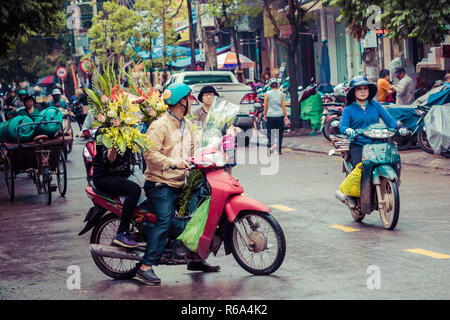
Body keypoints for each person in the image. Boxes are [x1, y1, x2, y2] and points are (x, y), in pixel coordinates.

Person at [138, 83, 219, 285]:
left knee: (199, 213)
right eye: (189, 100)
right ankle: (146, 266)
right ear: (181, 101)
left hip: (180, 181)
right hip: (160, 183)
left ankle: (195, 259)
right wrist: (172, 163)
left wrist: (211, 152)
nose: (192, 103)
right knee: (165, 221)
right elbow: (149, 153)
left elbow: (194, 150)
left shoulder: (188, 124)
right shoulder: (160, 125)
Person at [336, 76, 407, 205]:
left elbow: (390, 121)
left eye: (365, 88)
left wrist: (399, 127)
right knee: (361, 167)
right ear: (353, 92)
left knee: (393, 160)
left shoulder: (376, 106)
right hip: (359, 144)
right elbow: (343, 127)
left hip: (379, 142)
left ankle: (389, 184)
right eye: (359, 89)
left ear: (369, 91)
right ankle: (349, 193)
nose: (363, 91)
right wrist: (348, 131)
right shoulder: (348, 109)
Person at [92, 135, 141, 249]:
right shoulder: (104, 132)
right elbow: (110, 160)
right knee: (134, 190)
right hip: (104, 177)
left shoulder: (128, 130)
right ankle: (122, 232)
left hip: (124, 175)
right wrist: (115, 140)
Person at [263, 78, 289, 155]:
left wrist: (265, 114)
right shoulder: (282, 94)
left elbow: (266, 105)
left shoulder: (267, 93)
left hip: (270, 115)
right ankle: (279, 150)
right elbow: (283, 106)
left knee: (270, 132)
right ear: (277, 85)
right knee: (280, 133)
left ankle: (272, 145)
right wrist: (285, 116)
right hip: (280, 115)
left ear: (270, 85)